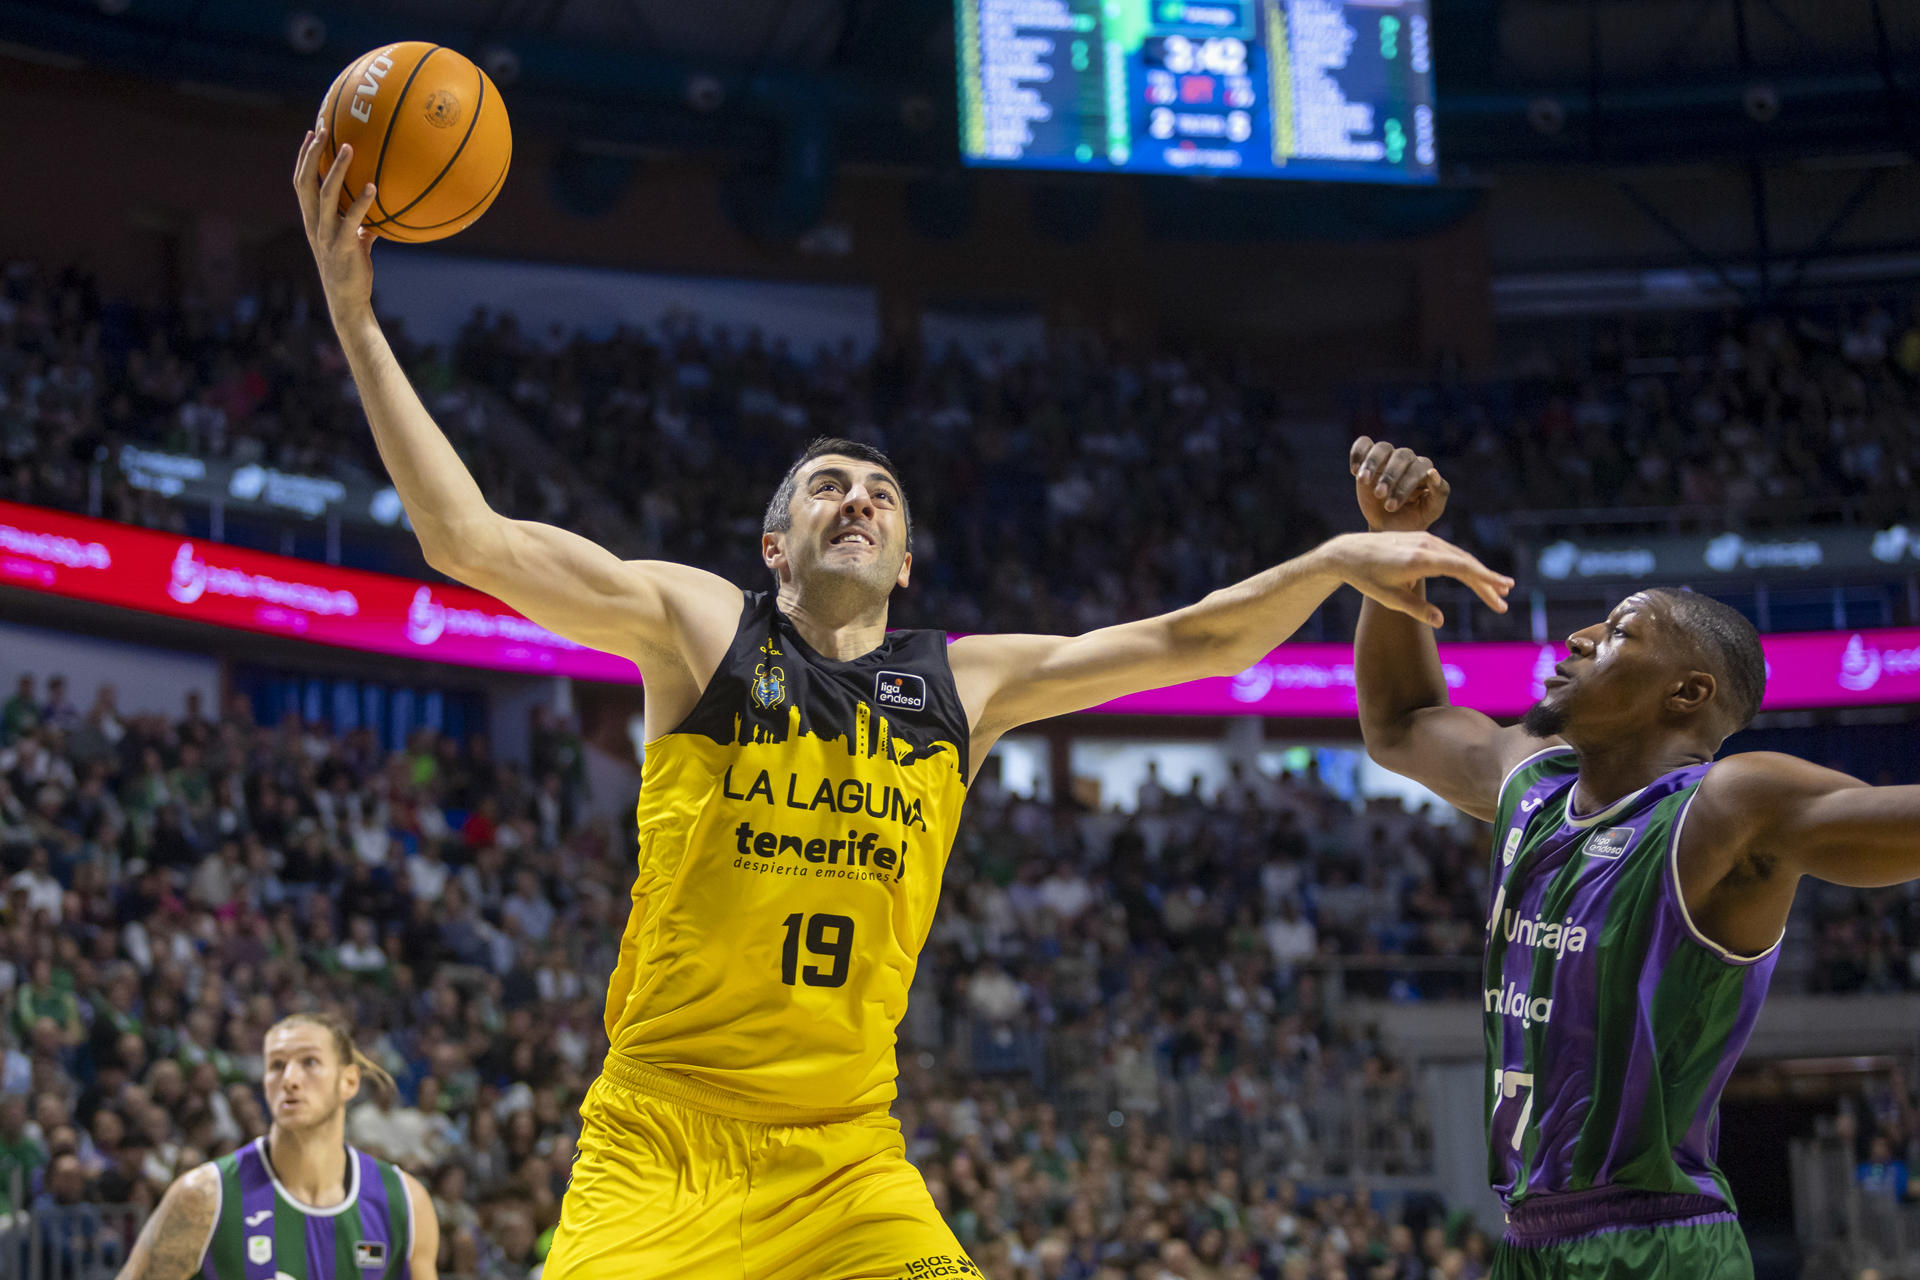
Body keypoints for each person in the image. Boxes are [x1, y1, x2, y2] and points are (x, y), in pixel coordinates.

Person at [293, 128, 1514, 1279]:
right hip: (663, 1138)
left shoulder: (964, 682)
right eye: (827, 487)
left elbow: (1188, 639)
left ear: (908, 558)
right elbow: (469, 541)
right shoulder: (700, 623)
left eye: (880, 492)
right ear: (775, 542)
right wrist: (354, 314)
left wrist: (1333, 562)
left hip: (846, 1154)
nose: (858, 500)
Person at [1346, 435, 1920, 1279]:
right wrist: (1394, 556)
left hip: (1655, 1242)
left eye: (1617, 631)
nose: (1578, 637)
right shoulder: (1527, 780)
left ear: (1686, 693)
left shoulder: (1724, 807)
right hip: (1527, 1240)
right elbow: (1399, 722)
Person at [114, 1013, 438, 1280]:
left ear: (349, 1082)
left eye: (310, 1062)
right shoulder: (204, 1196)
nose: (290, 1079)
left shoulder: (404, 1200)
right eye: (277, 1065)